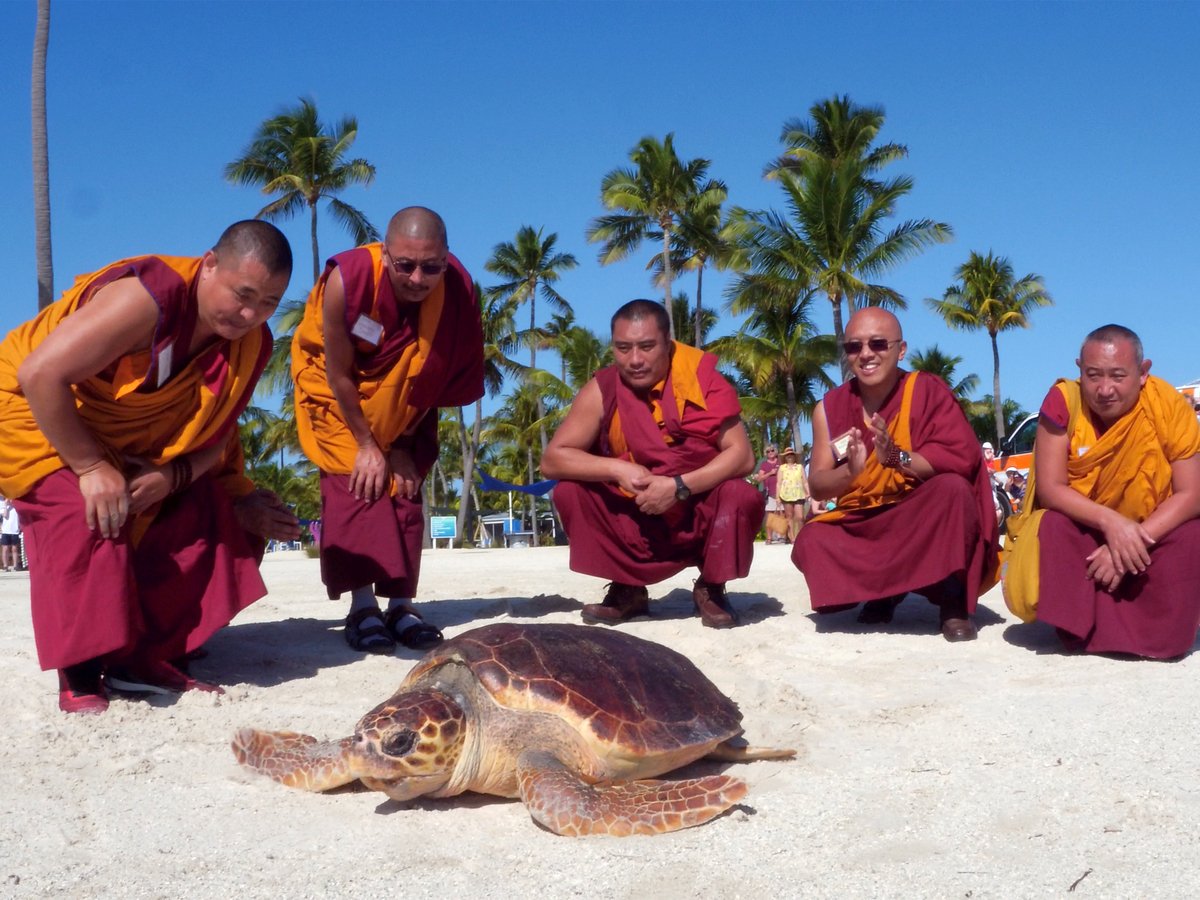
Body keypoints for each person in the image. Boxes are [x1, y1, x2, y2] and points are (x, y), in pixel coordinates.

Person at [0, 221, 302, 714]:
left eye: (268, 303)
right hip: (37, 413)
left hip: (129, 444)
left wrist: (172, 478)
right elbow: (40, 375)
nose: (251, 314)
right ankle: (79, 673)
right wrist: (92, 465)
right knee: (90, 507)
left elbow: (217, 436)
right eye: (242, 294)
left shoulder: (252, 344)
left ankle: (138, 658)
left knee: (208, 507)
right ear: (208, 266)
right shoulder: (147, 299)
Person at [292, 207, 484, 654]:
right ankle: (362, 607)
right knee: (359, 483)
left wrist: (398, 443)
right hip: (338, 401)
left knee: (405, 485)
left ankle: (401, 605)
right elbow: (338, 373)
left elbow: (437, 373)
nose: (418, 278)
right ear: (384, 255)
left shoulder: (457, 290)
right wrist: (366, 444)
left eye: (431, 267)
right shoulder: (349, 279)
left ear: (446, 258)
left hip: (409, 406)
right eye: (406, 265)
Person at [541, 299, 763, 629]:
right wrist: (617, 469)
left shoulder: (701, 381)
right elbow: (553, 459)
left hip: (695, 510)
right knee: (570, 491)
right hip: (637, 511)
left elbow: (742, 456)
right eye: (623, 348)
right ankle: (627, 589)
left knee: (740, 495)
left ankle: (711, 587)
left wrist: (679, 487)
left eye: (646, 347)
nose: (634, 360)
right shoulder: (604, 389)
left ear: (668, 343)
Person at [791, 308, 1000, 642]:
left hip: (918, 514)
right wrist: (851, 472)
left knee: (953, 490)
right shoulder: (828, 408)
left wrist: (895, 457)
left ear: (900, 350)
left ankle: (953, 599)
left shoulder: (926, 390)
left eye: (878, 344)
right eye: (854, 347)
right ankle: (883, 592)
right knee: (814, 540)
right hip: (867, 520)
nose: (866, 354)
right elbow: (817, 484)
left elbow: (959, 460)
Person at [1003, 324, 1200, 659]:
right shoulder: (1064, 402)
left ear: (1142, 372)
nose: (1105, 389)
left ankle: (1134, 629)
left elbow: (1192, 494)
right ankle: (1098, 629)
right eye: (1094, 375)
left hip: (1150, 538)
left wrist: (1130, 540)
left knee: (1192, 534)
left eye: (1118, 376)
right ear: (1080, 368)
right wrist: (1112, 525)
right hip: (1089, 537)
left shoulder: (1169, 406)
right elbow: (1052, 489)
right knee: (1054, 525)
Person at [752, 444, 786, 543]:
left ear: (775, 451)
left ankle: (783, 536)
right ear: (765, 453)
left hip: (783, 492)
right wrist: (770, 473)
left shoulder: (781, 462)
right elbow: (759, 478)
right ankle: (769, 537)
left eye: (772, 450)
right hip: (769, 492)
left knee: (782, 514)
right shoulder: (764, 464)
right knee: (770, 515)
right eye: (768, 451)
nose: (770, 453)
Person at [776, 446, 810, 542]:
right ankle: (792, 537)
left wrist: (808, 492)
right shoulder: (782, 468)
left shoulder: (799, 467)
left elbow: (805, 481)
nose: (789, 456)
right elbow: (779, 483)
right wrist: (777, 497)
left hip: (799, 493)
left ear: (794, 456)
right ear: (785, 457)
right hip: (786, 494)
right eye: (787, 455)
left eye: (791, 455)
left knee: (800, 517)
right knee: (789, 516)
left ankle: (801, 535)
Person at [0, 499, 20, 571]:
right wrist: (6, 505)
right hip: (6, 530)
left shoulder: (17, 507)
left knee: (14, 548)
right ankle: (5, 566)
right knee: (5, 548)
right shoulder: (2, 506)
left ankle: (15, 566)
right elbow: (5, 515)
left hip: (15, 530)